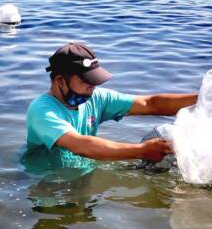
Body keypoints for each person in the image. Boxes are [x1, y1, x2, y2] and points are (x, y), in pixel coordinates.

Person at [26, 42, 198, 164]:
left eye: (94, 82)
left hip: (83, 173)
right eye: (86, 82)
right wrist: (141, 151)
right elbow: (80, 145)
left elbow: (150, 103)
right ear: (60, 81)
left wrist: (204, 99)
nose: (92, 88)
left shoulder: (96, 97)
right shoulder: (42, 110)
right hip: (48, 183)